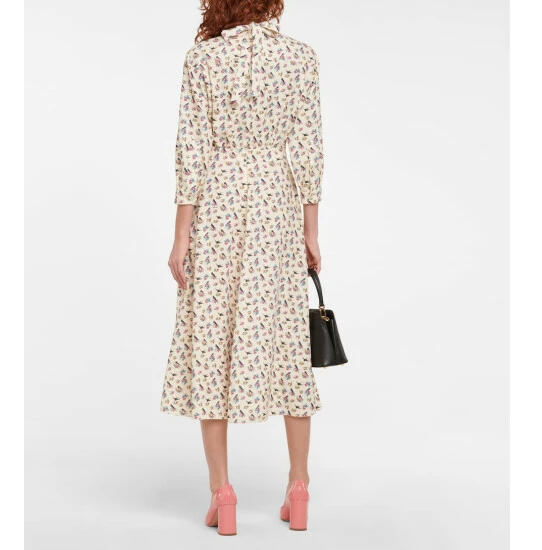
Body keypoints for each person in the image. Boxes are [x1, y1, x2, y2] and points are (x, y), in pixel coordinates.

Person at [160, 0, 324, 535]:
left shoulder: (203, 59)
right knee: (288, 338)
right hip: (277, 202)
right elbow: (308, 149)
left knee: (211, 335)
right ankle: (298, 487)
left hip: (219, 203)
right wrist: (311, 231)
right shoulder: (301, 57)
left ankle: (222, 494)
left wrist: (181, 236)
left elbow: (192, 149)